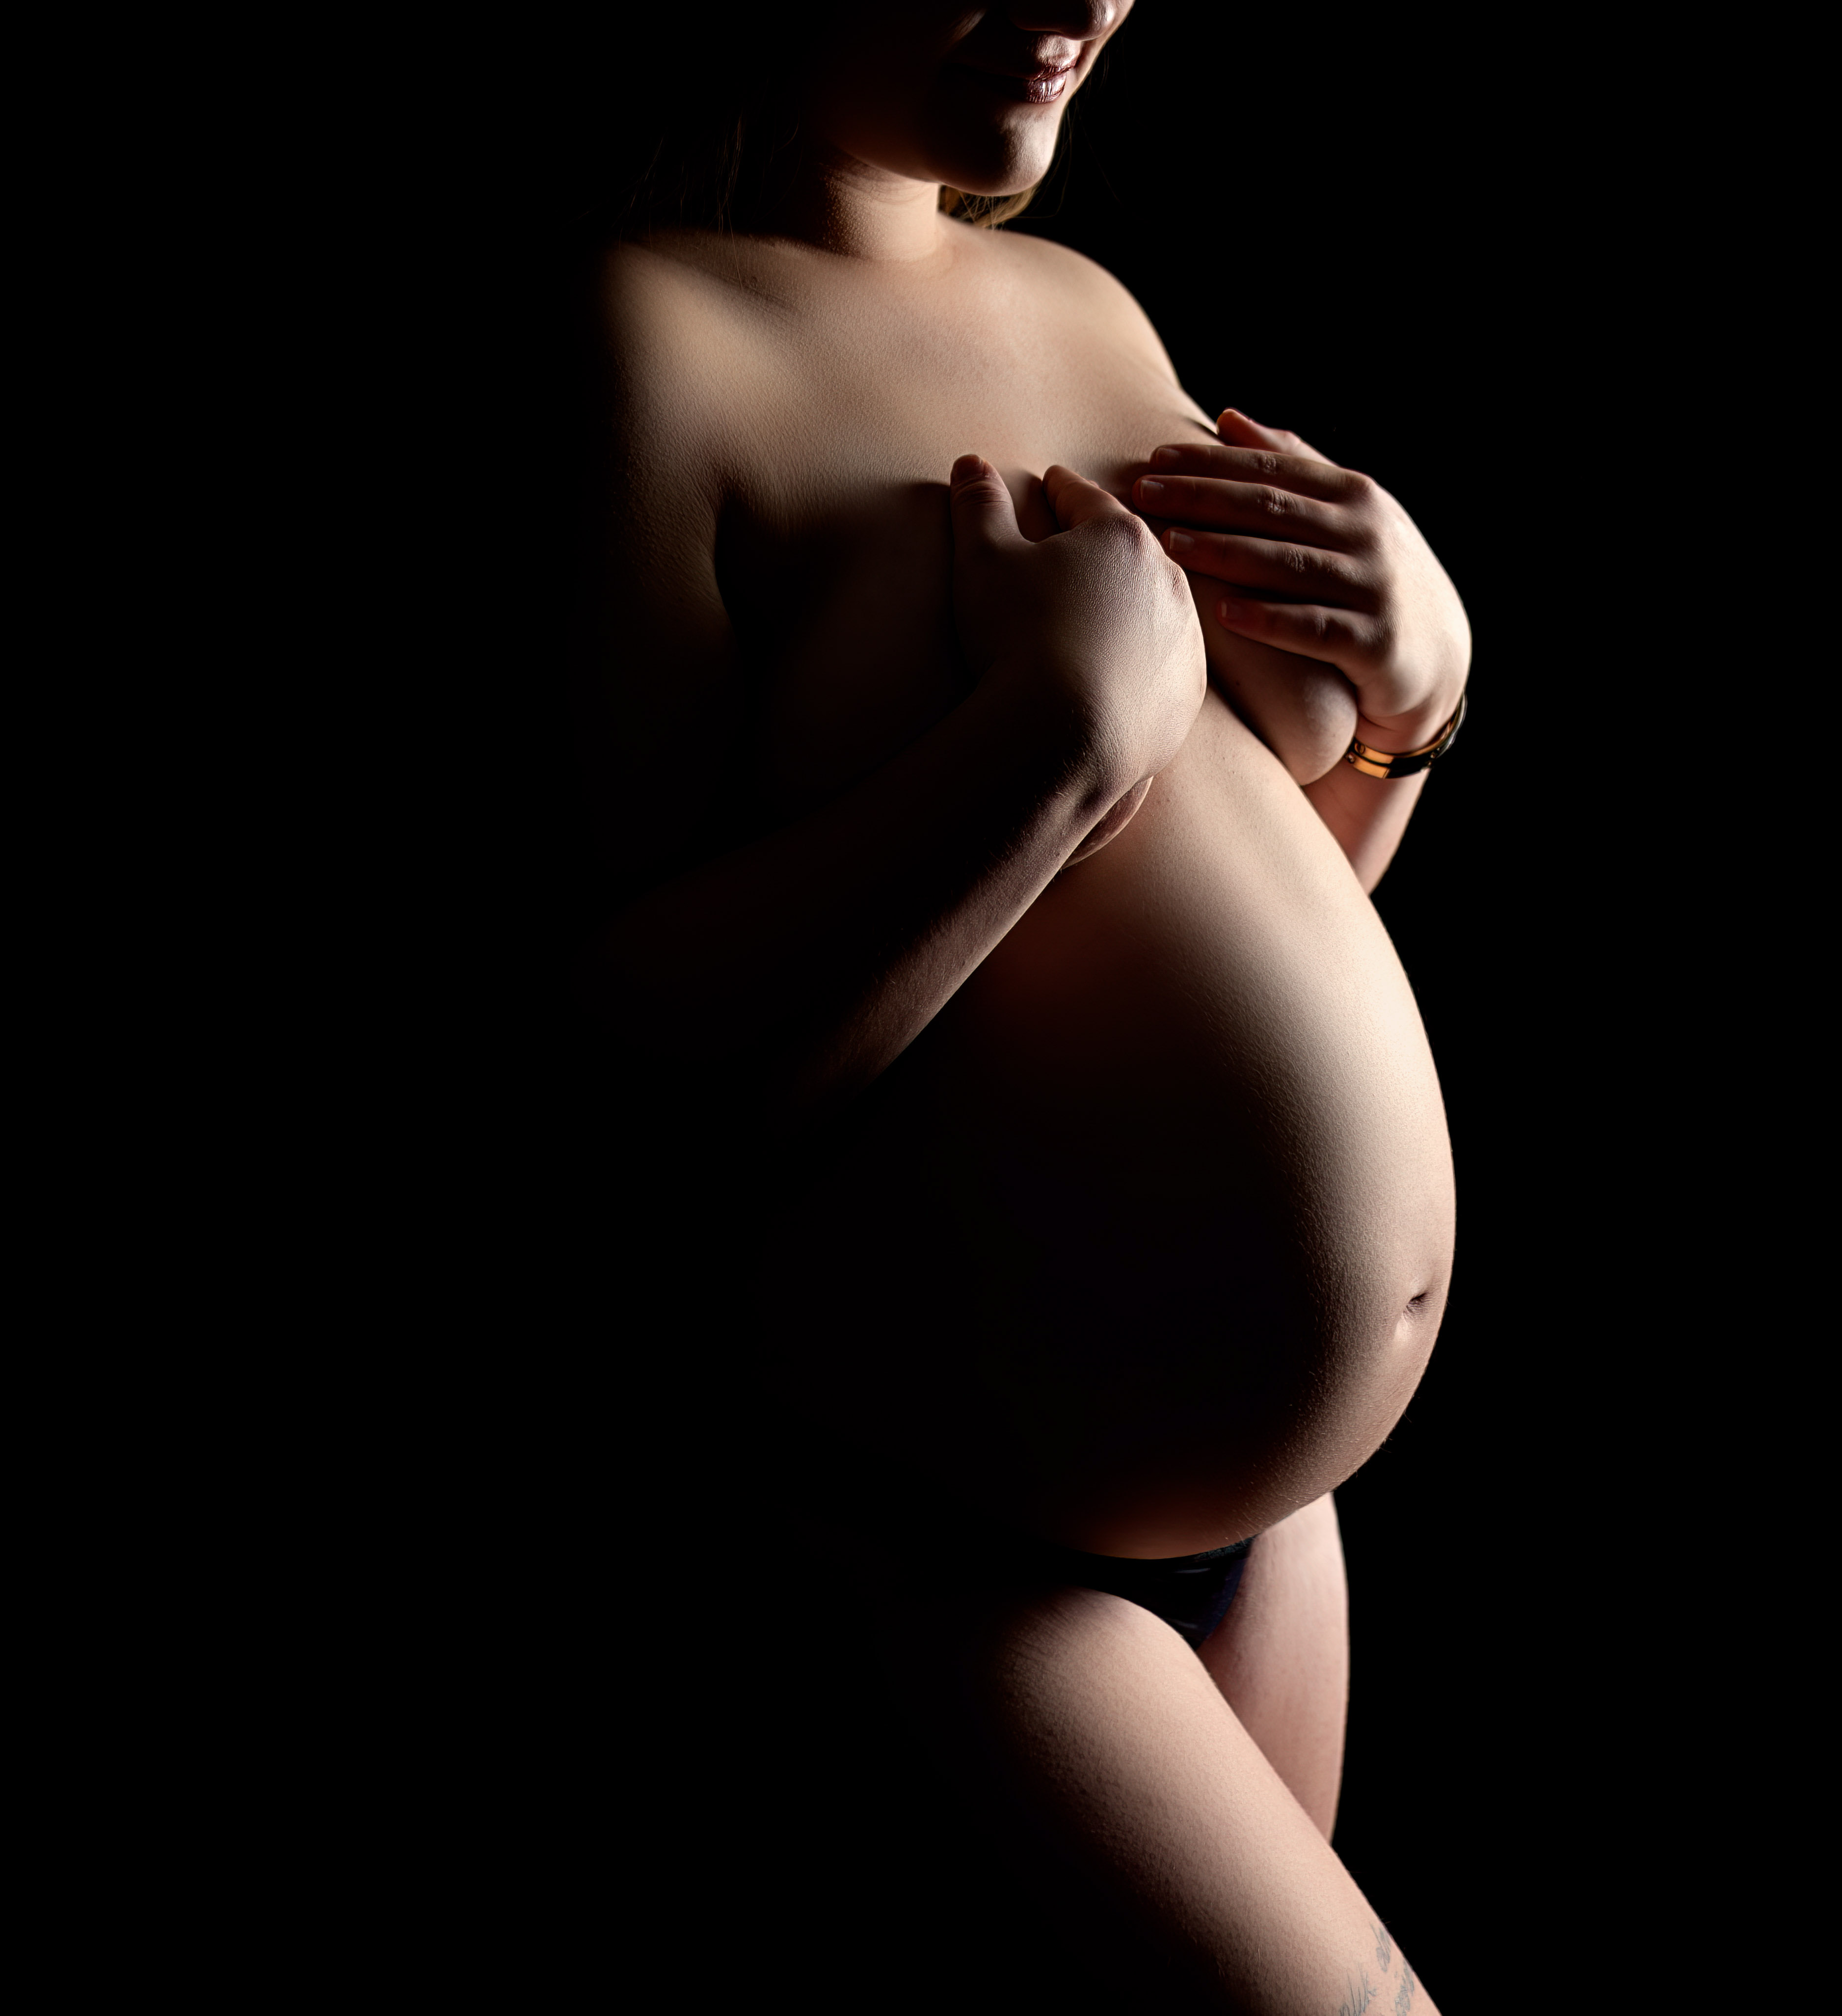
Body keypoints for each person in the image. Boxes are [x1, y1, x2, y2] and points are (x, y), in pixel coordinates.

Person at [567, 3, 1464, 2006]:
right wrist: (1051, 748)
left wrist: (1403, 723)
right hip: (957, 1542)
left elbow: (1234, 924)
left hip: (1264, 1515)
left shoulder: (1084, 307)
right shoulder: (640, 341)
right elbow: (622, 1116)